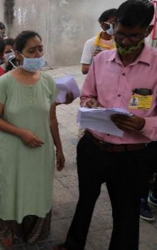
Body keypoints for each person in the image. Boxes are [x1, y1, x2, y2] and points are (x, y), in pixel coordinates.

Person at [54, 1, 157, 249]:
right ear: (113, 26)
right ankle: (73, 243)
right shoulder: (101, 61)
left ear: (147, 30)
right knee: (85, 200)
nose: (126, 41)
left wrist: (142, 123)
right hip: (93, 147)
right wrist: (89, 103)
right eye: (120, 33)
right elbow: (88, 93)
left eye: (134, 35)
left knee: (126, 213)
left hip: (132, 156)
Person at [0, 30, 65, 248]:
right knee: (10, 189)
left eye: (40, 49)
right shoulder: (5, 82)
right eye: (31, 50)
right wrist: (21, 132)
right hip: (13, 149)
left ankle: (34, 230)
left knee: (37, 189)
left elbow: (51, 119)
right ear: (17, 54)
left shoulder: (48, 81)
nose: (38, 54)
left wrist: (59, 149)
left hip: (41, 149)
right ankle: (7, 229)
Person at [80, 8, 117, 74]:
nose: (116, 26)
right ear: (103, 25)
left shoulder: (121, 42)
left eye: (118, 23)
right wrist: (101, 62)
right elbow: (84, 69)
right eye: (113, 23)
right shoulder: (91, 43)